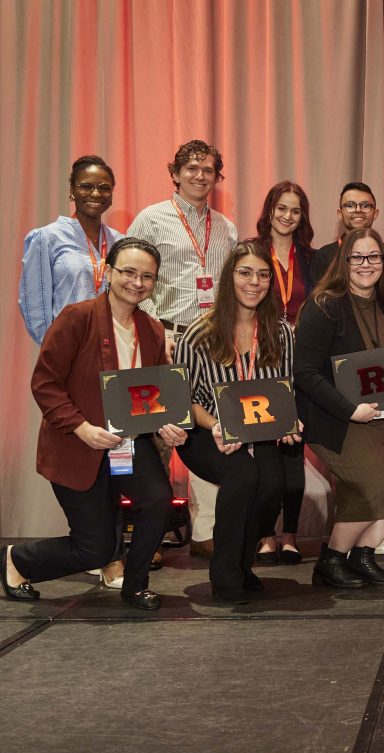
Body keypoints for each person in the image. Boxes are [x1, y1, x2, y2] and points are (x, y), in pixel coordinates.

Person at [3, 238, 184, 610]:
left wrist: (169, 424)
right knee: (95, 548)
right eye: (128, 272)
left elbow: (154, 393)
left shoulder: (151, 329)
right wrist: (82, 428)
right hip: (77, 444)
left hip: (127, 444)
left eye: (147, 276)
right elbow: (45, 384)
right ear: (109, 272)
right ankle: (18, 560)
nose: (137, 282)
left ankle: (135, 585)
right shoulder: (77, 317)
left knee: (159, 500)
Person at [129, 139, 239, 560]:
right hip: (165, 341)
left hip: (211, 345)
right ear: (175, 173)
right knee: (155, 437)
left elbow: (230, 289)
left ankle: (206, 532)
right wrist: (158, 333)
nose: (199, 175)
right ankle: (148, 539)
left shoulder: (226, 227)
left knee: (213, 432)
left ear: (217, 177)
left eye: (208, 169)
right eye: (191, 168)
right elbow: (131, 282)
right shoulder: (151, 220)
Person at [294, 228, 384, 590]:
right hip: (335, 420)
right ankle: (330, 561)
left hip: (378, 421)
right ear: (344, 261)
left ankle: (361, 556)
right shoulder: (324, 306)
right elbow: (304, 373)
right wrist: (350, 411)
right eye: (358, 257)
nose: (367, 265)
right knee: (372, 485)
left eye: (374, 257)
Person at [173, 242, 294, 604]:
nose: (254, 282)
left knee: (273, 483)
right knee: (243, 475)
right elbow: (186, 399)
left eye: (262, 274)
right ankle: (225, 575)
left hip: (260, 431)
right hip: (206, 432)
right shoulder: (199, 333)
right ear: (229, 278)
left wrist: (289, 424)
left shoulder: (281, 332)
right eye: (245, 273)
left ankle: (242, 565)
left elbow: (284, 391)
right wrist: (216, 426)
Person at [252, 181, 316, 565]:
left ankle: (290, 534)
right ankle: (263, 535)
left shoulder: (310, 258)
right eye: (281, 208)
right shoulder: (251, 252)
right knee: (262, 451)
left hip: (299, 361)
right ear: (269, 210)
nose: (287, 216)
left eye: (295, 210)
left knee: (293, 449)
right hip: (259, 359)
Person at [20, 155, 123, 345]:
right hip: (67, 351)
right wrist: (56, 350)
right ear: (72, 191)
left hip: (115, 347)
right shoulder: (47, 238)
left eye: (104, 188)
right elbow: (35, 307)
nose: (95, 193)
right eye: (86, 186)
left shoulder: (120, 242)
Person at [310, 182, 384, 285]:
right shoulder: (323, 256)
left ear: (375, 214)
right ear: (340, 213)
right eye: (350, 205)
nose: (358, 210)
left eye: (366, 205)